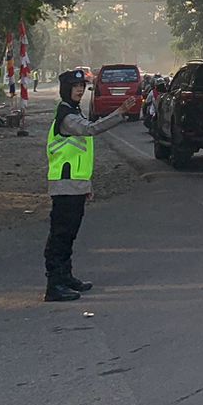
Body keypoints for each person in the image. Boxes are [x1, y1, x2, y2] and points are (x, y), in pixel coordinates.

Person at [44, 68, 136, 303]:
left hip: (75, 184)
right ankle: (54, 285)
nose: (79, 90)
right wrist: (118, 113)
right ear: (65, 89)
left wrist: (86, 185)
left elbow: (81, 154)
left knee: (69, 235)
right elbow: (90, 129)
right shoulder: (67, 116)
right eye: (75, 87)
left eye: (82, 87)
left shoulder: (74, 111)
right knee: (61, 236)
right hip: (65, 185)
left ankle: (65, 277)